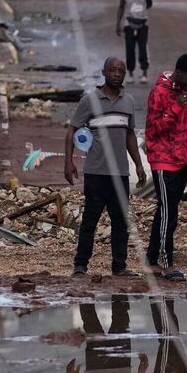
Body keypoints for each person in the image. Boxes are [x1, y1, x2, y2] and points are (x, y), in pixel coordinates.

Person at [65, 57, 147, 277]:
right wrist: (68, 161)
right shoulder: (90, 100)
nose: (117, 73)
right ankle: (80, 265)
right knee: (90, 220)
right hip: (95, 172)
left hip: (120, 172)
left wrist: (139, 165)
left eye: (121, 70)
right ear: (104, 72)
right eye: (112, 70)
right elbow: (72, 130)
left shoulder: (128, 101)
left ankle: (119, 267)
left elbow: (130, 135)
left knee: (120, 222)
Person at [145, 54, 187, 280]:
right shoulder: (159, 93)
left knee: (168, 210)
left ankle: (153, 259)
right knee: (168, 211)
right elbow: (153, 130)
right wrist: (175, 107)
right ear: (179, 72)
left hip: (181, 160)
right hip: (162, 160)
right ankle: (165, 261)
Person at [117, 0, 153, 85]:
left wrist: (140, 11)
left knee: (143, 48)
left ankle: (144, 73)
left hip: (143, 24)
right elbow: (121, 7)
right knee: (130, 48)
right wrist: (118, 24)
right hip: (129, 24)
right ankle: (131, 73)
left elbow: (149, 3)